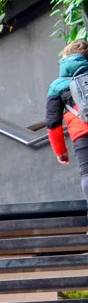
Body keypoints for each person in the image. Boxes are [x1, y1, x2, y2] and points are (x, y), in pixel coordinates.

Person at [45, 40, 88, 209]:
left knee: (87, 173)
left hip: (81, 132)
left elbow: (53, 122)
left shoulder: (57, 86)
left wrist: (60, 152)